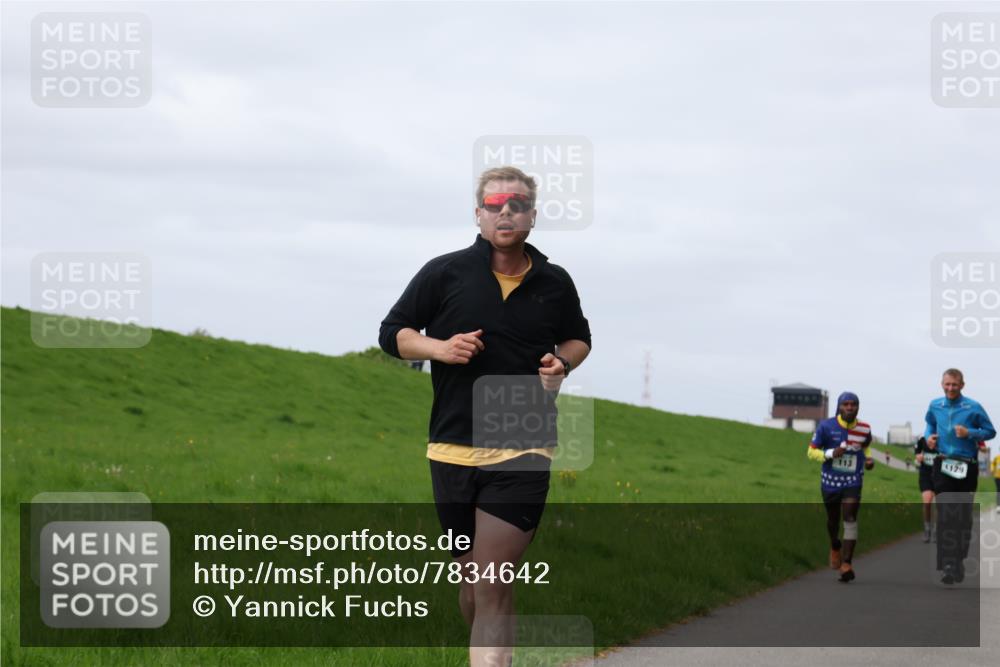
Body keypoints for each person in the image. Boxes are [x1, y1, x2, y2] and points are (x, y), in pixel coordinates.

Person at [378, 166, 592, 666]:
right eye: (495, 205)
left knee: (493, 578)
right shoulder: (444, 272)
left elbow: (579, 338)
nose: (505, 213)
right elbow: (393, 332)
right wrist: (441, 347)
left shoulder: (554, 283)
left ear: (532, 216)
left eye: (516, 205)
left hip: (524, 442)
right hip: (452, 447)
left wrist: (561, 362)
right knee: (474, 587)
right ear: (478, 214)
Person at [924, 368, 996, 584]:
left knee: (963, 517)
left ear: (962, 385)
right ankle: (948, 565)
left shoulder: (973, 407)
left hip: (967, 466)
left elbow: (991, 431)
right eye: (947, 384)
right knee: (946, 513)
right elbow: (929, 423)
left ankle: (959, 559)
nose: (950, 388)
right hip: (943, 463)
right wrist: (929, 438)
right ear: (941, 384)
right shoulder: (935, 405)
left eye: (954, 385)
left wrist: (970, 433)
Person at [807, 391, 875, 582]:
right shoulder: (826, 426)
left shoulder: (864, 428)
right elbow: (811, 452)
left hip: (853, 480)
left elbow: (866, 446)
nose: (850, 407)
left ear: (858, 407)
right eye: (846, 404)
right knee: (833, 520)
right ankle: (834, 545)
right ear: (839, 406)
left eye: (853, 404)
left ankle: (847, 564)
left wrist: (868, 459)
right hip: (830, 481)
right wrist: (830, 454)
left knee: (850, 517)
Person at [914, 436, 937, 542]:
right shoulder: (923, 439)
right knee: (927, 501)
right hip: (925, 474)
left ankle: (936, 531)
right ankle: (927, 531)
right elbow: (917, 451)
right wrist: (918, 456)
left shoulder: (944, 439)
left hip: (940, 475)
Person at [991, 448, 1000, 514]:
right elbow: (992, 464)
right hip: (997, 477)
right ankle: (998, 506)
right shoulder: (996, 458)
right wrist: (992, 469)